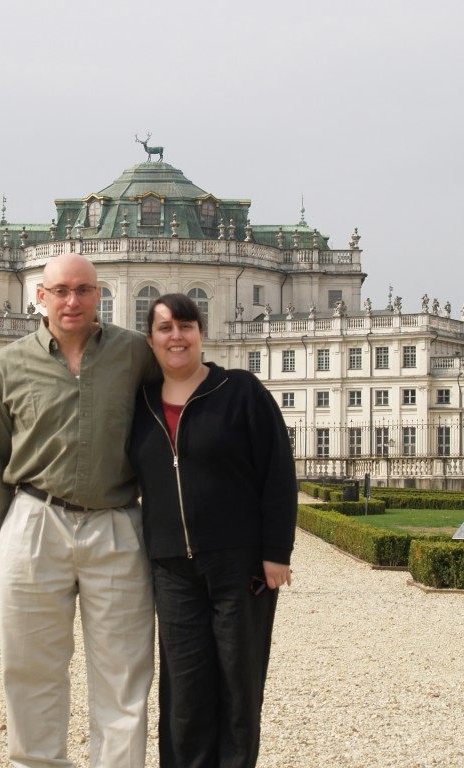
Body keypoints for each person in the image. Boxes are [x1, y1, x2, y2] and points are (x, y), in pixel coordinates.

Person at [0, 252, 159, 768]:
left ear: (99, 294)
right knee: (30, 669)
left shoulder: (134, 354)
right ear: (41, 296)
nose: (72, 300)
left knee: (124, 675)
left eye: (83, 289)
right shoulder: (8, 363)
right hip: (35, 519)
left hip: (117, 521)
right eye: (61, 290)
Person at [128, 293, 297, 768]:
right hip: (171, 568)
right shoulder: (139, 401)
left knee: (238, 686)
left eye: (186, 325)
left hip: (238, 564)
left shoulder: (239, 389)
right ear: (150, 340)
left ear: (202, 333)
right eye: (165, 328)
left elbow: (278, 472)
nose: (176, 336)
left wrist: (276, 551)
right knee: (183, 690)